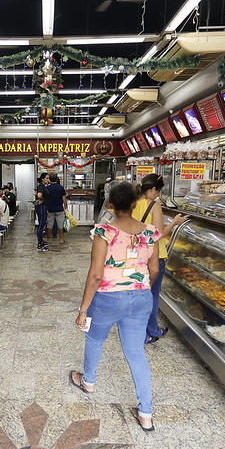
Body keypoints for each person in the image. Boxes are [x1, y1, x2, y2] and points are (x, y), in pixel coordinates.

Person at [70, 181, 162, 432]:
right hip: (142, 296)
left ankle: (88, 382)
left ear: (110, 204)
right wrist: (140, 288)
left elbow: (96, 275)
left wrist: (82, 310)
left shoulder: (104, 232)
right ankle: (145, 412)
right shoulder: (150, 232)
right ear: (135, 204)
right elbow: (154, 269)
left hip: (108, 298)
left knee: (95, 339)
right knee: (136, 353)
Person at [132, 174, 188, 344]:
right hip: (154, 256)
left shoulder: (132, 203)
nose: (158, 195)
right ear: (153, 189)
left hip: (136, 254)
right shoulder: (154, 206)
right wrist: (175, 223)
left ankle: (145, 330)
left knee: (138, 293)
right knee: (152, 295)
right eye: (158, 191)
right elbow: (159, 234)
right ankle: (149, 332)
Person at [45, 175, 68, 244]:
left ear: (49, 180)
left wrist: (46, 208)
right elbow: (64, 198)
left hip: (50, 209)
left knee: (49, 225)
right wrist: (65, 206)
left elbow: (46, 199)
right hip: (59, 209)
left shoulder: (47, 188)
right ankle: (61, 239)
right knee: (60, 225)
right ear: (57, 179)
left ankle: (49, 239)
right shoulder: (60, 188)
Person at [35, 173, 51, 252]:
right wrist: (42, 200)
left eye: (48, 178)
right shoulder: (41, 186)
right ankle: (39, 244)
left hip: (43, 208)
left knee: (42, 225)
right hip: (41, 207)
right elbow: (39, 195)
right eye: (46, 178)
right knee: (41, 226)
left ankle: (41, 241)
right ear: (42, 179)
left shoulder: (43, 186)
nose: (48, 180)